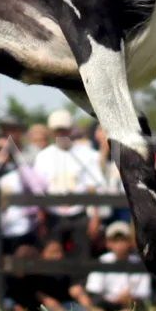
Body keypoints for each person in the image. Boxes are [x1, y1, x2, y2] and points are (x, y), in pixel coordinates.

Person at [34, 109, 100, 259]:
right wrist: (41, 218)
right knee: (53, 256)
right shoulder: (43, 157)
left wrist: (95, 217)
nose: (61, 134)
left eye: (64, 130)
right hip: (53, 215)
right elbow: (39, 189)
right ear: (52, 132)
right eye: (58, 130)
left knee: (82, 256)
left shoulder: (86, 153)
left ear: (71, 130)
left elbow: (92, 187)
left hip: (79, 214)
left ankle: (79, 282)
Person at [70, 221, 153, 311]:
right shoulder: (102, 261)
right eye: (115, 240)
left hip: (132, 304)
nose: (119, 245)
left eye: (123, 240)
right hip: (106, 305)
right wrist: (113, 300)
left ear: (130, 242)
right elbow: (94, 291)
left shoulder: (139, 263)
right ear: (108, 243)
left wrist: (129, 299)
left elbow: (144, 294)